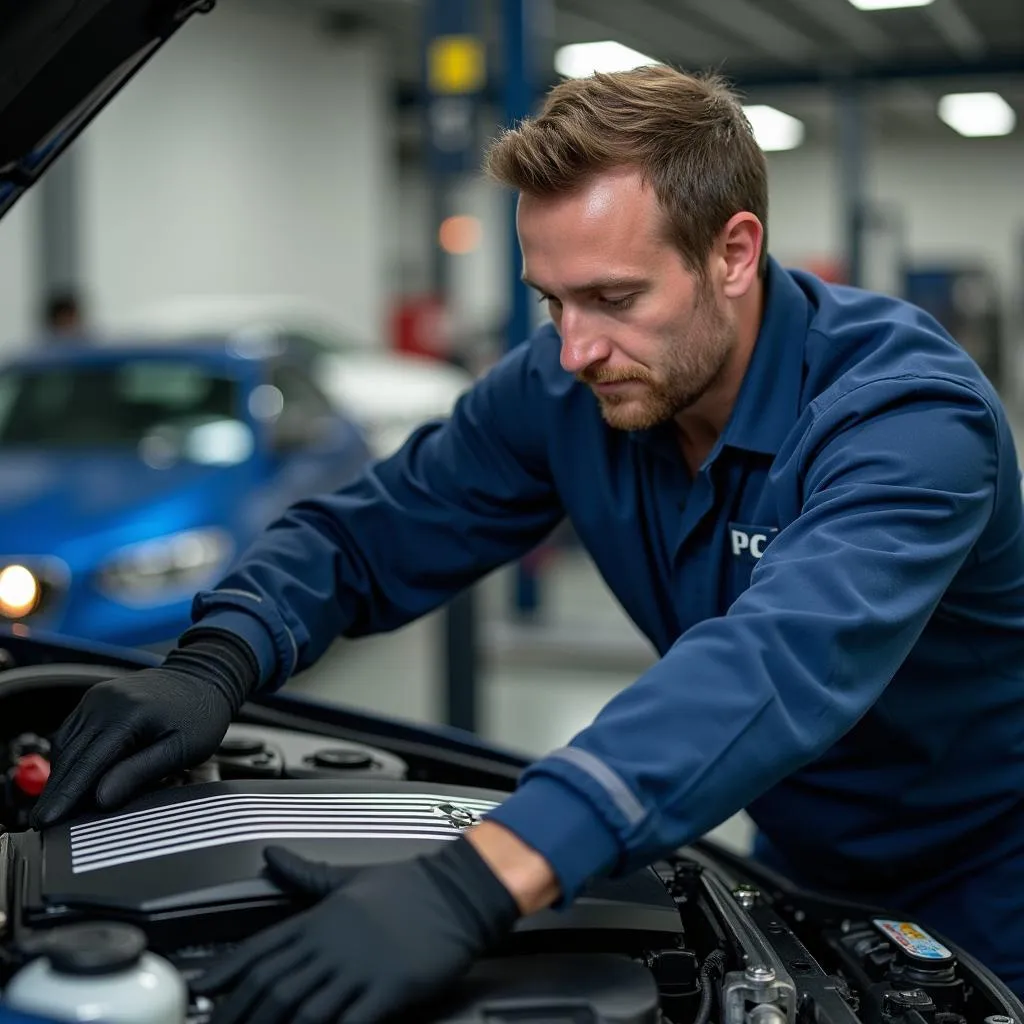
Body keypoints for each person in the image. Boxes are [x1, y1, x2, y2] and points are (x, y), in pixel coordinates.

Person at [31, 65, 1024, 1021]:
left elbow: (774, 661)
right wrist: (214, 660)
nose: (574, 348)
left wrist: (478, 879)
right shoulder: (568, 386)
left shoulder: (906, 419)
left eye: (614, 297)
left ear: (732, 252)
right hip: (790, 851)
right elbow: (375, 527)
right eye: (552, 301)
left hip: (986, 872)